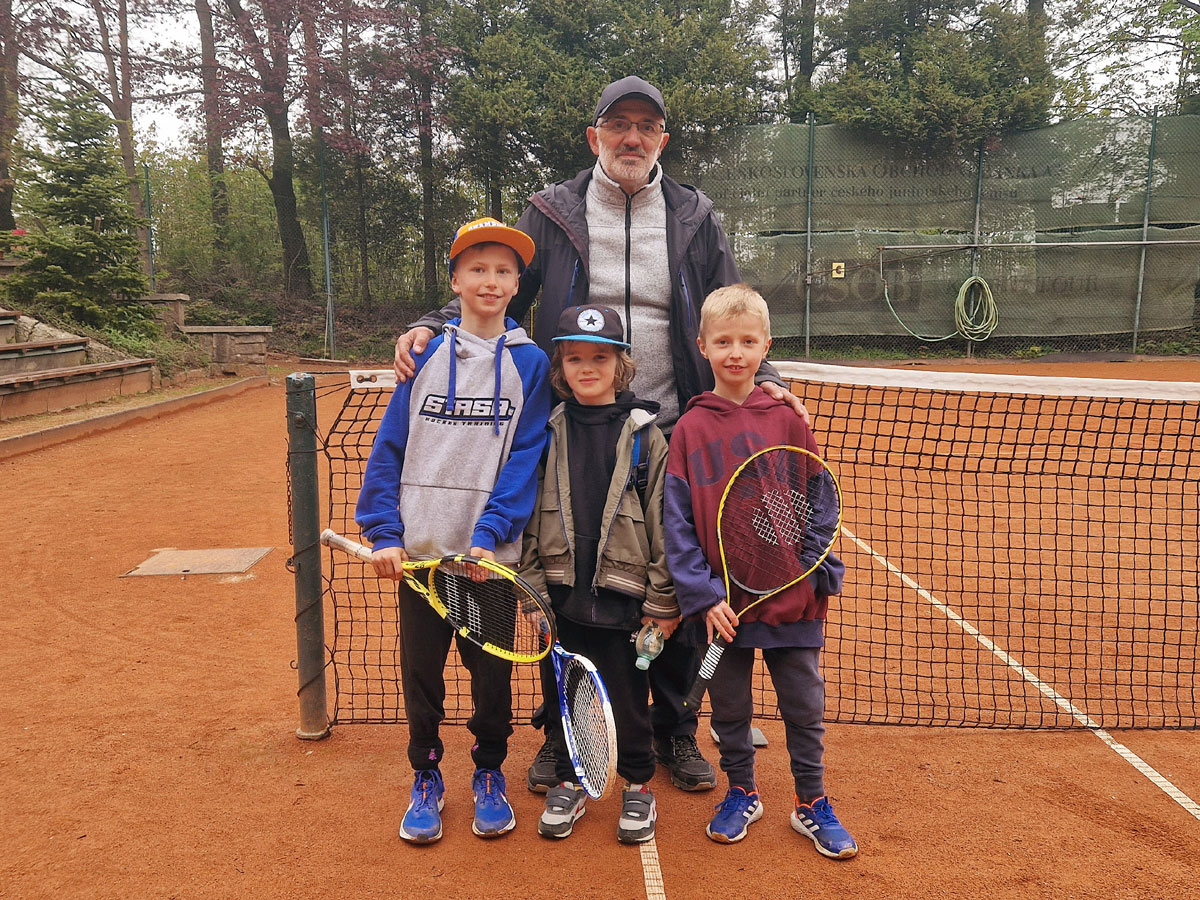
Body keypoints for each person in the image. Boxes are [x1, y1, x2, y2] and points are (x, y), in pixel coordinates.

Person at [393, 76, 811, 794]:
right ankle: (562, 730)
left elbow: (726, 303)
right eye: (619, 125)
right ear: (595, 137)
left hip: (670, 424)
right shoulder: (552, 212)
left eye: (646, 127)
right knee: (567, 579)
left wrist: (763, 372)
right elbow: (500, 286)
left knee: (672, 577)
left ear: (662, 140)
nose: (632, 138)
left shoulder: (694, 216)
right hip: (576, 427)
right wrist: (436, 322)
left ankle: (675, 727)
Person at [356, 217, 552, 844]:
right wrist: (384, 532)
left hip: (486, 562)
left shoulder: (532, 364)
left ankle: (490, 771)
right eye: (477, 269)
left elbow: (525, 457)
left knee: (491, 677)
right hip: (420, 557)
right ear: (455, 281)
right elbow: (391, 445)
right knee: (422, 676)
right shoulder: (423, 354)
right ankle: (427, 775)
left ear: (517, 285)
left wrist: (490, 535)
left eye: (503, 271)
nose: (490, 281)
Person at [663, 284, 857, 859]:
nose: (736, 353)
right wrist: (702, 595)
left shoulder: (788, 420)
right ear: (702, 346)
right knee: (729, 710)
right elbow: (677, 522)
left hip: (793, 599)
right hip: (722, 608)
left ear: (766, 347)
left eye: (748, 342)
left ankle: (811, 801)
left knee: (804, 707)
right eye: (723, 341)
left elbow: (821, 496)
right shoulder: (689, 429)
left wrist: (806, 562)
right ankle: (741, 791)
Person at [518, 303, 678, 844]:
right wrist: (533, 593)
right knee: (565, 695)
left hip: (624, 601)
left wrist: (661, 603)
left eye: (600, 358)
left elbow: (663, 523)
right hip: (560, 599)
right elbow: (529, 518)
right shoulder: (547, 433)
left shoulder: (646, 436)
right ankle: (570, 778)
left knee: (629, 698)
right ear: (561, 368)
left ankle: (638, 783)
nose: (588, 368)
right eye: (576, 359)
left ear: (621, 366)